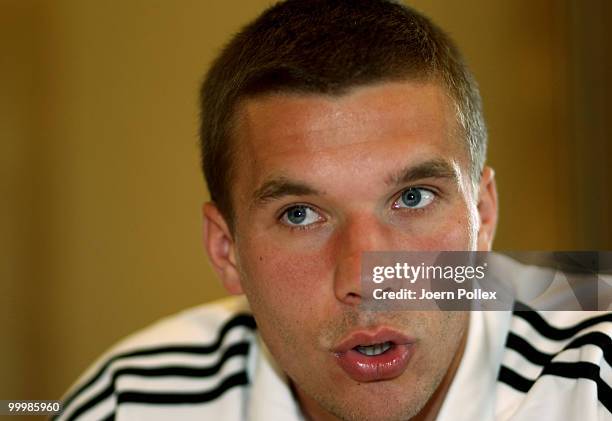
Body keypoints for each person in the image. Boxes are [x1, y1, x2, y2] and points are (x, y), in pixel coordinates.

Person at [57, 1, 611, 420]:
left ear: (483, 215)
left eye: (412, 198)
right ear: (226, 251)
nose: (365, 279)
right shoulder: (131, 405)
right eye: (300, 214)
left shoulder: (593, 381)